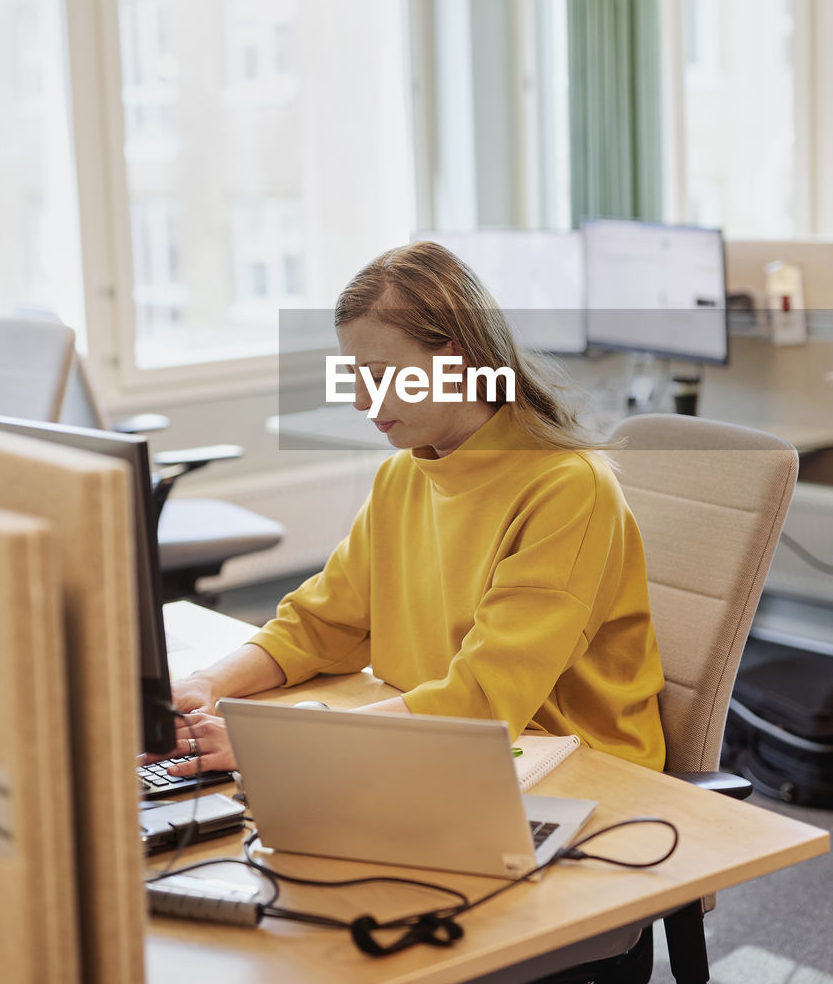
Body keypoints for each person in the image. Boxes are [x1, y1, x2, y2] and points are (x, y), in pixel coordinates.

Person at [156, 241, 665, 774]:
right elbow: (321, 624)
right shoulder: (404, 475)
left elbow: (484, 700)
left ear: (453, 361)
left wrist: (284, 739)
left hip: (573, 765)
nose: (360, 400)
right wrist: (205, 683)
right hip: (440, 742)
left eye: (377, 374)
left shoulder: (567, 488)